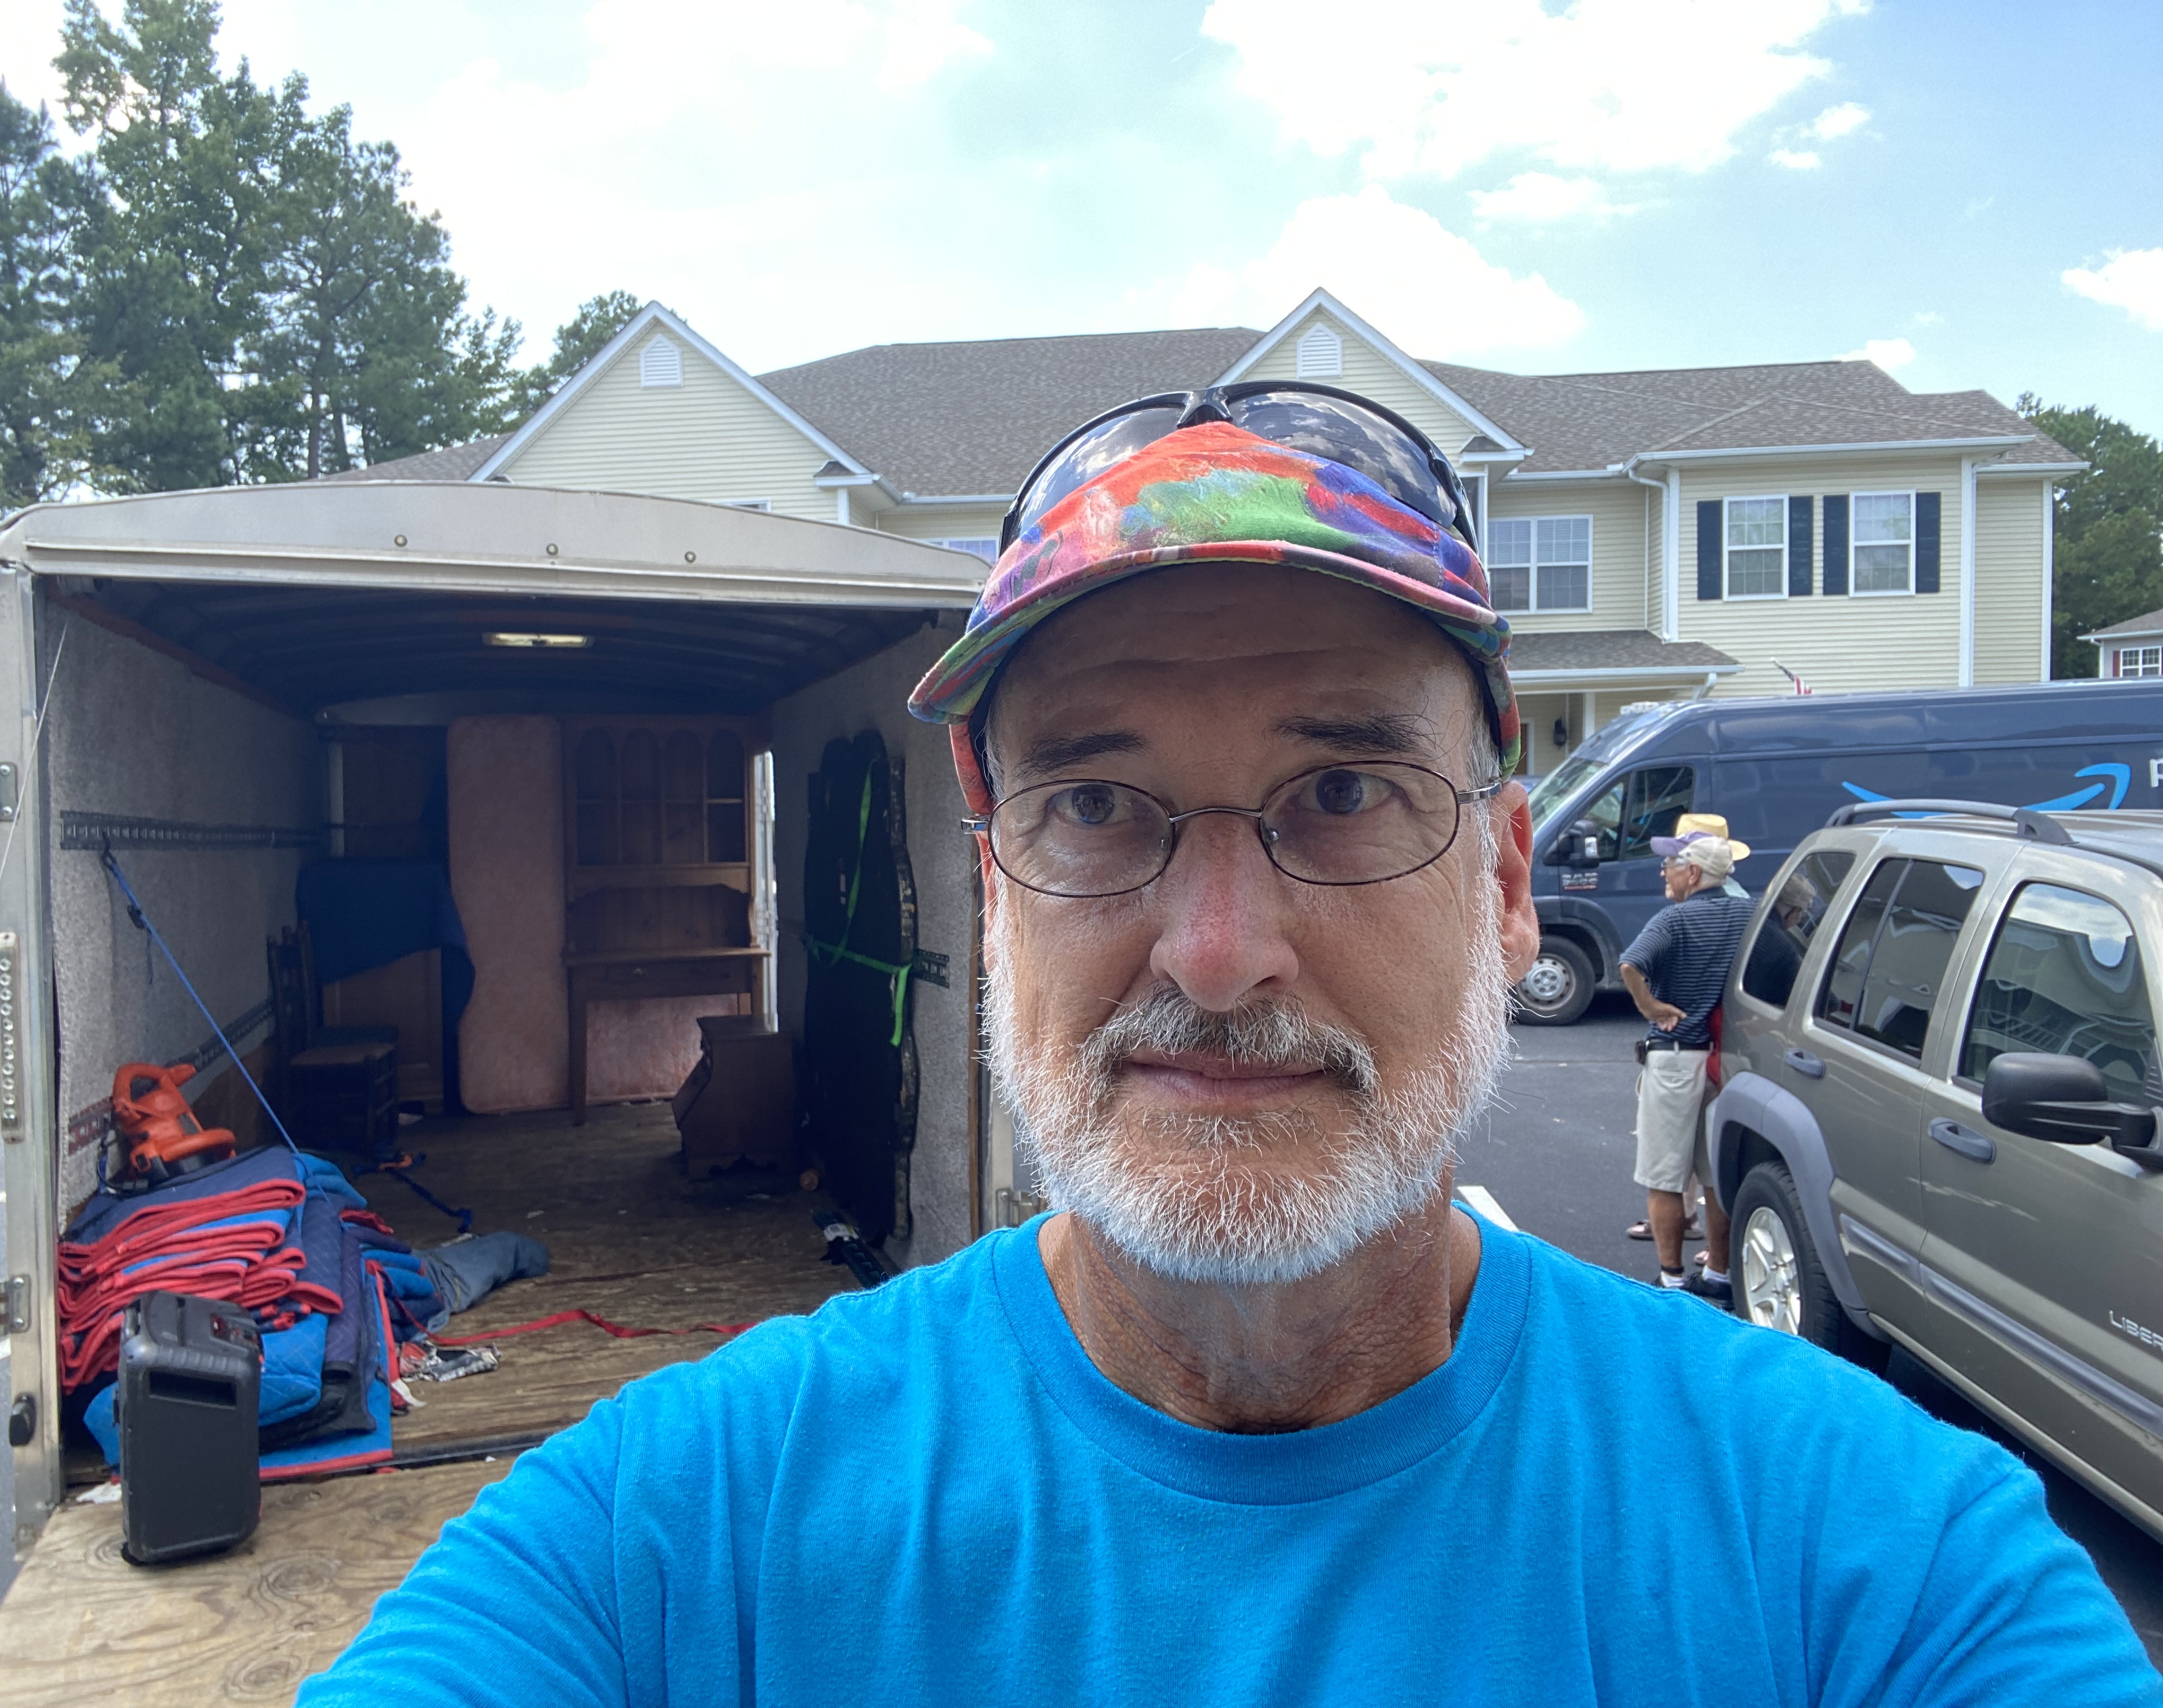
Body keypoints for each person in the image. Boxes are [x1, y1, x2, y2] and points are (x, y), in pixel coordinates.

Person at [298, 386, 2159, 1706]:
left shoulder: (1868, 1562)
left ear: (1511, 885)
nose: (1214, 948)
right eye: (1095, 804)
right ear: (1000, 896)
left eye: (1341, 790)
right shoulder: (680, 1528)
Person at [1619, 826, 1755, 1297]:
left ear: (1693, 873)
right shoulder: (1750, 913)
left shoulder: (1675, 920)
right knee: (1715, 1175)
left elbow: (1631, 965)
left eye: (1671, 866)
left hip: (1676, 1056)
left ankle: (1672, 1276)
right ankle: (1719, 1273)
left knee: (1665, 1176)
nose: (1665, 873)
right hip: (1726, 1058)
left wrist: (1651, 1007)